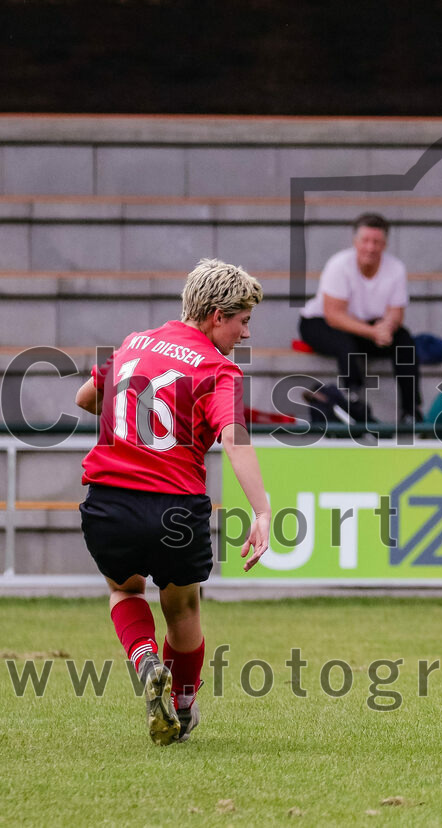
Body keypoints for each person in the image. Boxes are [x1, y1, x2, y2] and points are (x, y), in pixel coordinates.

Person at [75, 259, 271, 745]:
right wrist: (262, 510)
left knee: (124, 590)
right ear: (216, 315)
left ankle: (144, 660)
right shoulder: (217, 368)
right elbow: (235, 438)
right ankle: (182, 707)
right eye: (243, 320)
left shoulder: (134, 343)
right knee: (182, 608)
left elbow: (85, 399)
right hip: (175, 507)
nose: (245, 334)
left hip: (109, 500)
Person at [298, 212, 422, 424]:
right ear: (355, 242)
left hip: (366, 326)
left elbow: (397, 312)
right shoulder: (339, 265)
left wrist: (388, 327)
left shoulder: (396, 268)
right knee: (345, 343)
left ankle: (411, 410)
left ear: (385, 244)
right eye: (365, 241)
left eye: (376, 242)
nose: (371, 247)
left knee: (404, 340)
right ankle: (352, 400)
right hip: (319, 323)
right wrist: (374, 332)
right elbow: (334, 316)